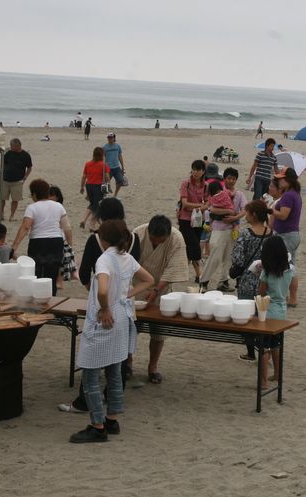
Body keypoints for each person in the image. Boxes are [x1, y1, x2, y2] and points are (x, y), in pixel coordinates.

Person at [70, 219, 154, 444]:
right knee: (115, 371)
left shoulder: (104, 259)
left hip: (104, 320)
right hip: (122, 319)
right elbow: (149, 280)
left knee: (90, 374)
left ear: (103, 238)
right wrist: (126, 294)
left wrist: (105, 307)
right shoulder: (127, 257)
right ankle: (112, 419)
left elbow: (103, 288)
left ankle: (97, 426)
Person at [132, 215, 189, 383]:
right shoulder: (138, 234)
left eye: (160, 241)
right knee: (130, 328)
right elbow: (129, 262)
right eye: (154, 240)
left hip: (162, 289)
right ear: (148, 231)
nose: (156, 243)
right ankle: (127, 363)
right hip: (137, 285)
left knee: (158, 332)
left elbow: (173, 267)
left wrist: (156, 290)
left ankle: (153, 367)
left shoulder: (176, 238)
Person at [10, 178, 73, 294]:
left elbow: (25, 227)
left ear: (34, 194)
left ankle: (38, 299)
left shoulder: (32, 208)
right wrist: (70, 245)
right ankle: (51, 299)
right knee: (52, 275)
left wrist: (14, 247)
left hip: (38, 243)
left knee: (36, 273)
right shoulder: (58, 206)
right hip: (56, 242)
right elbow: (67, 228)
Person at [230, 200, 272, 361]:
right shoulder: (271, 233)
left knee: (246, 317)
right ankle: (264, 350)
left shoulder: (246, 234)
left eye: (247, 213)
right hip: (266, 281)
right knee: (261, 316)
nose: (245, 215)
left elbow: (238, 259)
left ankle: (251, 352)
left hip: (247, 280)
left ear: (253, 214)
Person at [256, 234, 294, 381]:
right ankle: (278, 374)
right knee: (276, 345)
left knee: (264, 348)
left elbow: (262, 292)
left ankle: (263, 381)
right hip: (282, 310)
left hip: (268, 311)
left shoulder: (267, 272)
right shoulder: (290, 270)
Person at [202, 173, 244, 291]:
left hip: (232, 230)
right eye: (229, 178)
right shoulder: (216, 192)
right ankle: (203, 281)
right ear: (224, 179)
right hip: (218, 229)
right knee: (215, 257)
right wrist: (229, 211)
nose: (231, 181)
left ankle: (223, 282)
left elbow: (245, 209)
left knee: (228, 258)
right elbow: (211, 209)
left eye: (234, 179)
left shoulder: (239, 194)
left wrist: (235, 218)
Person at [269, 167, 303, 306]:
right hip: (291, 234)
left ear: (288, 180)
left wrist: (270, 210)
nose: (279, 181)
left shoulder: (289, 195)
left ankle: (291, 297)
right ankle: (292, 297)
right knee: (290, 266)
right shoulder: (294, 193)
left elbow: (283, 215)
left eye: (281, 178)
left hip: (287, 235)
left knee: (287, 267)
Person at [177, 160, 209, 280]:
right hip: (185, 218)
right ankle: (198, 272)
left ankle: (192, 273)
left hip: (198, 219)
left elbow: (208, 202)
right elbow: (184, 203)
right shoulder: (186, 183)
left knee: (190, 246)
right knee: (194, 245)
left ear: (203, 171)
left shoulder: (206, 186)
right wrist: (200, 207)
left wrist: (199, 207)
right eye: (193, 169)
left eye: (198, 170)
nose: (195, 172)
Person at [0, 138, 33, 223]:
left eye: (12, 146)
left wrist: (25, 178)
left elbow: (29, 167)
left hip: (17, 181)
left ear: (18, 146)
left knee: (15, 199)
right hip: (5, 180)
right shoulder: (9, 153)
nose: (10, 147)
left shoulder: (25, 155)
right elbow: (3, 162)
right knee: (1, 198)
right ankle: (1, 215)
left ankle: (12, 216)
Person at [79, 146, 111, 231]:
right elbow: (107, 177)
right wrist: (108, 184)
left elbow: (84, 176)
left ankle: (83, 220)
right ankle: (92, 225)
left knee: (92, 204)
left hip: (89, 186)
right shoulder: (104, 165)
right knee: (97, 206)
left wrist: (82, 187)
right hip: (98, 186)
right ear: (102, 155)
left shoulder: (88, 164)